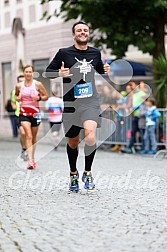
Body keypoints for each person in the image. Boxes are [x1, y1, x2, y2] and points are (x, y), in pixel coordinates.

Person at [46, 21, 110, 191]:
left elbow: (98, 69)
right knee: (73, 141)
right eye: (79, 30)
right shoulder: (64, 53)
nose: (82, 32)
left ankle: (87, 172)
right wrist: (59, 73)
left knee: (90, 136)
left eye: (85, 30)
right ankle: (73, 174)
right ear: (73, 35)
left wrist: (104, 69)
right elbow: (48, 72)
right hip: (71, 103)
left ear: (88, 34)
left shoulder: (95, 52)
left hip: (90, 101)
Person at [15, 65, 48, 169]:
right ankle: (30, 161)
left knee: (33, 137)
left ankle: (32, 158)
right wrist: (18, 98)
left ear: (32, 73)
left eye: (30, 72)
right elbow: (16, 96)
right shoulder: (19, 86)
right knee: (28, 135)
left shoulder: (38, 84)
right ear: (24, 73)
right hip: (24, 113)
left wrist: (38, 98)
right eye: (26, 72)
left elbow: (46, 96)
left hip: (35, 113)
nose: (28, 74)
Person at [11, 75, 28, 161]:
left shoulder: (29, 90)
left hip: (28, 114)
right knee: (23, 132)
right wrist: (14, 106)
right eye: (20, 81)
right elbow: (13, 101)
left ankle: (29, 150)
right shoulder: (14, 92)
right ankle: (24, 148)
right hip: (18, 114)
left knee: (29, 134)